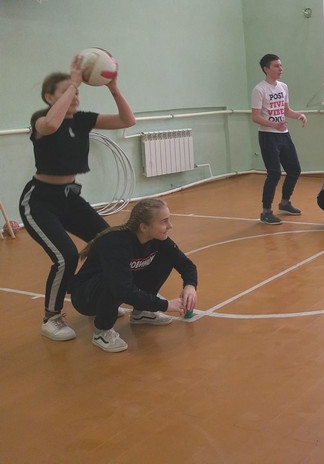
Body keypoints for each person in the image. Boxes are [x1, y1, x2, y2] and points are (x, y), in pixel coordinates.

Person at [19, 53, 136, 342]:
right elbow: (51, 125)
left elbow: (128, 120)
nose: (74, 96)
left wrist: (113, 87)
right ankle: (51, 317)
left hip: (70, 198)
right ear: (49, 97)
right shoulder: (41, 119)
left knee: (109, 242)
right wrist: (74, 83)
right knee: (66, 256)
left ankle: (98, 297)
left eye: (77, 93)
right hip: (39, 201)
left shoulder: (83, 120)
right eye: (66, 92)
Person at [70, 198, 198, 353]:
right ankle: (102, 331)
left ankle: (141, 312)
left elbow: (186, 264)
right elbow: (121, 289)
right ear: (144, 227)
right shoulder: (116, 244)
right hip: (86, 297)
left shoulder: (158, 238)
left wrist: (190, 286)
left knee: (166, 258)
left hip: (116, 288)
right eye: (164, 221)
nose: (170, 226)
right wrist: (165, 305)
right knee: (115, 281)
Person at [251, 53, 307, 225]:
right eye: (276, 66)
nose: (280, 69)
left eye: (280, 65)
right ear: (266, 69)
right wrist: (273, 125)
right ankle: (266, 212)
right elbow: (255, 116)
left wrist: (299, 116)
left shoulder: (283, 87)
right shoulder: (259, 89)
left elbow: (286, 110)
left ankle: (285, 203)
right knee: (274, 173)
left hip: (284, 135)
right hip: (268, 136)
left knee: (294, 169)